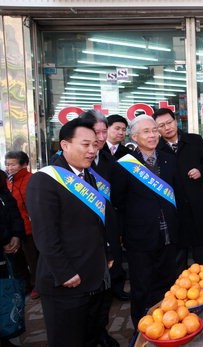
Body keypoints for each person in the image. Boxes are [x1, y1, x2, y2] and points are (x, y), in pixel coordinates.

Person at [26, 118, 112, 347]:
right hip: (65, 282)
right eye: (86, 145)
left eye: (95, 144)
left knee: (90, 336)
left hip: (94, 276)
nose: (92, 150)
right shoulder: (44, 180)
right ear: (65, 145)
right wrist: (64, 273)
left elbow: (97, 224)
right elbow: (45, 235)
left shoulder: (89, 176)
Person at [111, 115, 182, 328]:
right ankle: (141, 328)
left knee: (169, 283)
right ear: (134, 136)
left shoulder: (169, 159)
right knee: (142, 286)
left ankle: (168, 324)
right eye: (146, 132)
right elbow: (119, 202)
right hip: (140, 237)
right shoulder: (124, 164)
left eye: (154, 130)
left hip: (169, 234)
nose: (152, 135)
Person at [77, 110, 125, 347]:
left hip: (109, 231)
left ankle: (101, 332)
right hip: (85, 240)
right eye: (97, 132)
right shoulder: (65, 167)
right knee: (88, 293)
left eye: (105, 131)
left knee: (106, 288)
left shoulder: (106, 159)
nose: (101, 137)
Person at [152, 108, 203, 268]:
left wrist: (201, 170)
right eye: (161, 126)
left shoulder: (194, 140)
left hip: (198, 205)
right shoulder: (156, 149)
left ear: (176, 122)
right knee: (178, 257)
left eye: (169, 122)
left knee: (202, 255)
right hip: (174, 210)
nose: (167, 127)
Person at [5, 151, 38, 299]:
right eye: (7, 164)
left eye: (12, 164)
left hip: (30, 228)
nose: (9, 167)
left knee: (34, 259)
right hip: (15, 229)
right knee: (19, 261)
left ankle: (38, 285)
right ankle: (26, 285)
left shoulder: (31, 179)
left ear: (23, 164)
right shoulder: (7, 181)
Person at [1, 169, 26, 347]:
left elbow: (13, 210)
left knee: (6, 294)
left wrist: (16, 236)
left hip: (6, 252)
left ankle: (6, 333)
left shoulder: (1, 181)